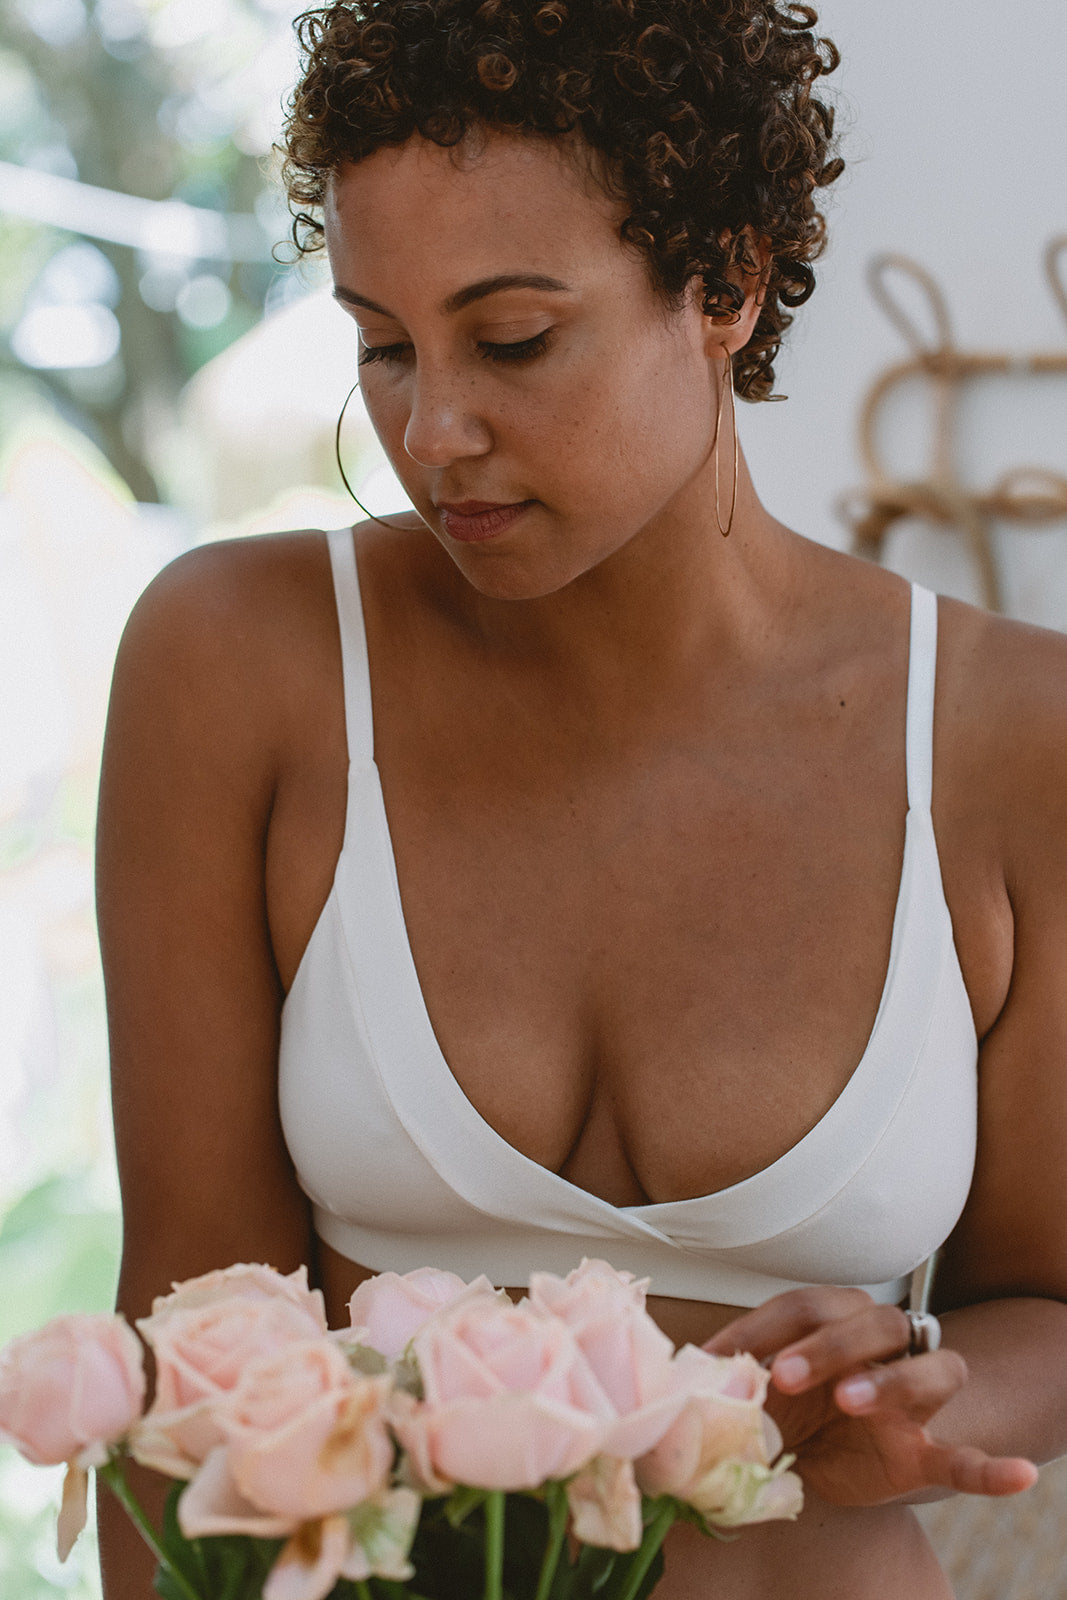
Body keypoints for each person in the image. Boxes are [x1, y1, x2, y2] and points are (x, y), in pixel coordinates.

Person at [96, 2, 1067, 1596]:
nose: (434, 431)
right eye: (384, 342)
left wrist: (932, 1380)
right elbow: (182, 1360)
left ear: (729, 282)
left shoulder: (1015, 732)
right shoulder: (241, 668)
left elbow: (1048, 1302)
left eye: (515, 338)